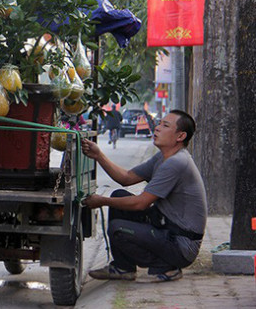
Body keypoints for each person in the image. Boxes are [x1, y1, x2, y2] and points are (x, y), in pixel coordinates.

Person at [81, 110, 206, 283]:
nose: (157, 128)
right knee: (119, 195)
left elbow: (140, 203)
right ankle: (123, 268)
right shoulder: (163, 158)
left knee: (118, 229)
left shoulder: (176, 163)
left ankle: (167, 266)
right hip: (166, 227)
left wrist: (101, 201)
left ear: (180, 136)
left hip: (180, 245)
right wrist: (98, 155)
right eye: (160, 123)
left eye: (165, 125)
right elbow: (126, 178)